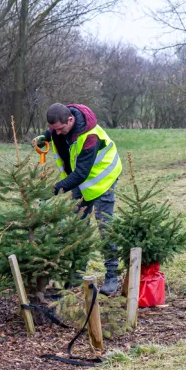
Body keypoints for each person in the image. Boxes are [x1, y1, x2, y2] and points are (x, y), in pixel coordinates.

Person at [32, 103, 122, 295]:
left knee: (105, 227)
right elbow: (52, 132)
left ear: (70, 120)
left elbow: (81, 173)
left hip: (101, 179)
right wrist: (43, 138)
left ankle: (112, 277)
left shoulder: (90, 137)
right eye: (54, 129)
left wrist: (53, 190)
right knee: (77, 228)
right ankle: (76, 275)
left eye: (60, 128)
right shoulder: (60, 126)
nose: (58, 132)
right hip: (79, 182)